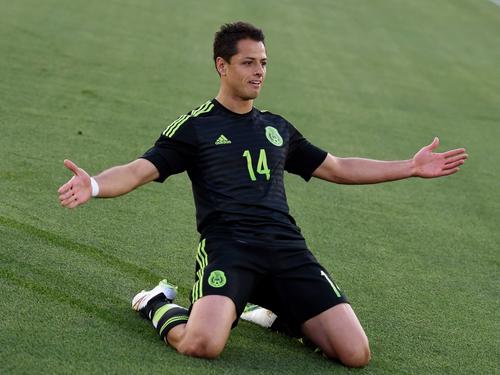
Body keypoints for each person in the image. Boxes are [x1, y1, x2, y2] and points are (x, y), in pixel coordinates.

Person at [58, 22, 467, 368]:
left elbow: (338, 167)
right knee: (202, 345)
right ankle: (154, 302)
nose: (259, 72)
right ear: (222, 66)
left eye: (264, 63)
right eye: (248, 63)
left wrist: (410, 167)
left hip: (286, 249)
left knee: (355, 354)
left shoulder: (277, 128)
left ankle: (279, 315)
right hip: (230, 250)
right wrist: (93, 184)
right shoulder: (195, 127)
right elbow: (137, 171)